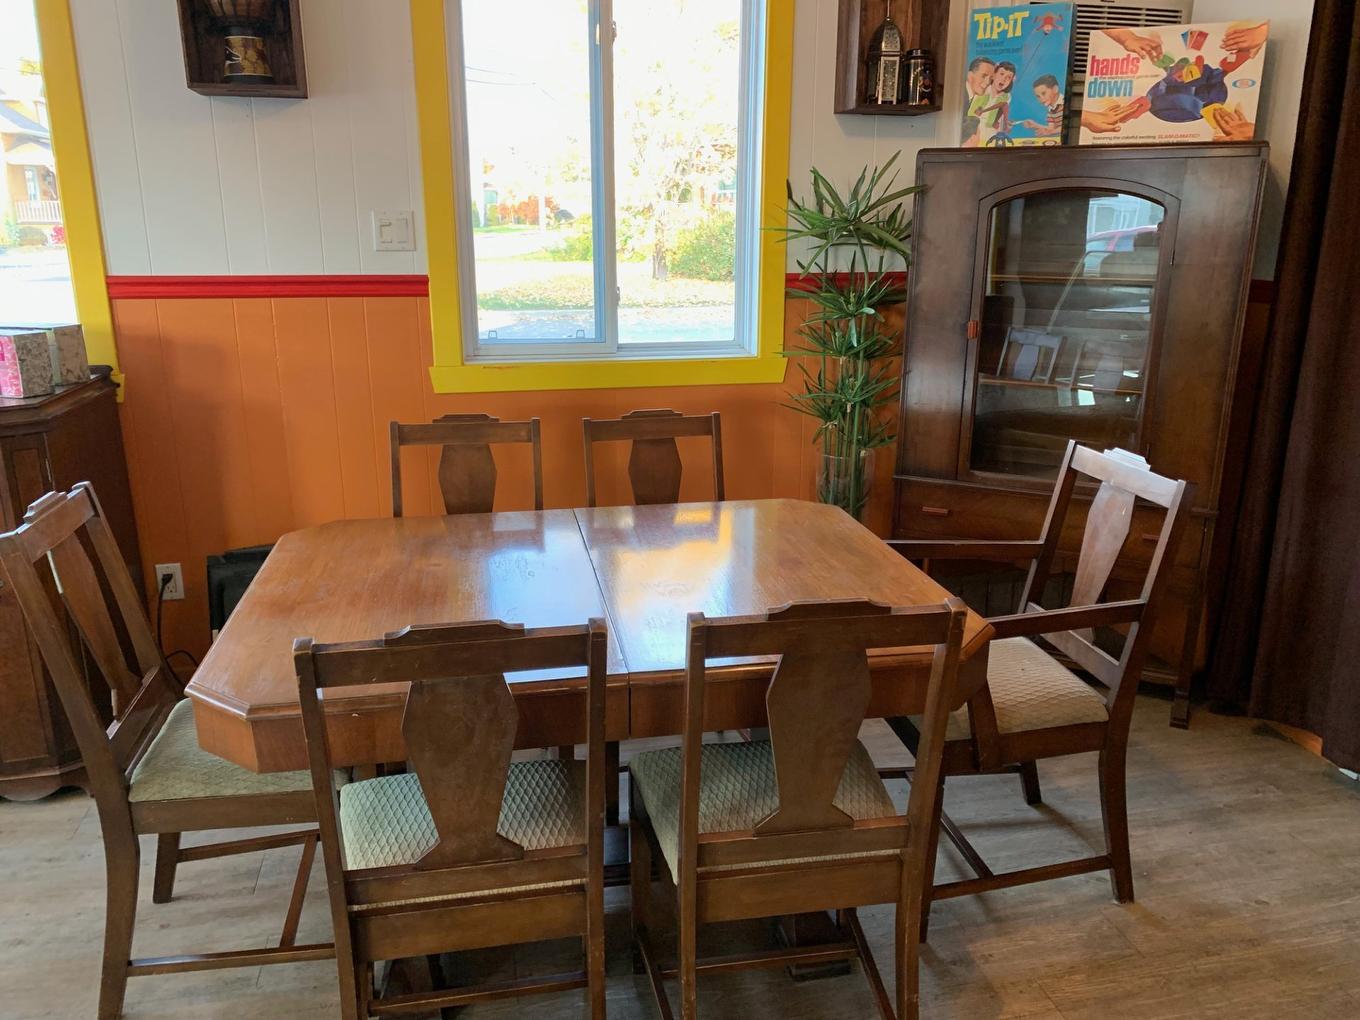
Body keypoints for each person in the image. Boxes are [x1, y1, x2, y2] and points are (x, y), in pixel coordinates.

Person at [973, 60, 1015, 145]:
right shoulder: (983, 89)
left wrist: (1006, 124)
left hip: (991, 133)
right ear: (994, 74)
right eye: (1002, 74)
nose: (1004, 79)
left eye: (1009, 77)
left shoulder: (1006, 96)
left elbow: (1001, 111)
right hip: (975, 130)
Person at [961, 56, 996, 147]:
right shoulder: (960, 97)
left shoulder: (970, 97)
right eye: (984, 76)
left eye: (991, 79)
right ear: (970, 75)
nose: (988, 82)